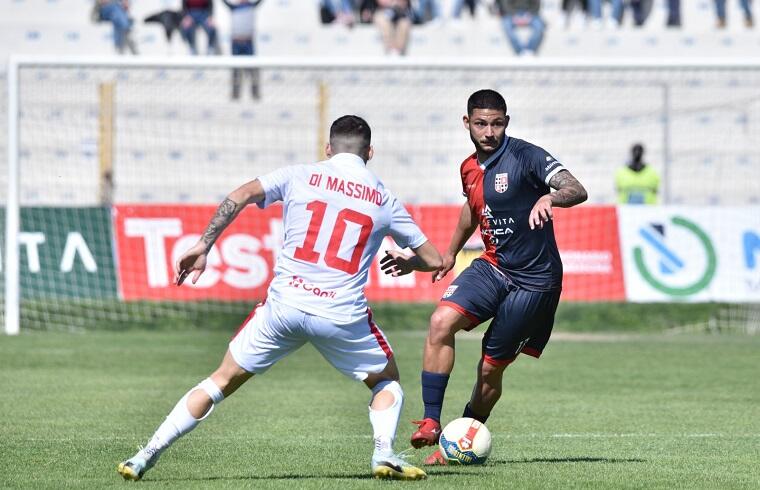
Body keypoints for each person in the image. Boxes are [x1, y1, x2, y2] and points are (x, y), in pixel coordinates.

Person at [117, 115, 442, 481]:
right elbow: (435, 259)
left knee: (219, 381)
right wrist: (408, 261)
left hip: (284, 307)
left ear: (328, 149)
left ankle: (145, 454)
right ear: (370, 152)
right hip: (339, 315)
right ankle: (383, 453)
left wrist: (204, 244)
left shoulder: (298, 175)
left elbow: (238, 196)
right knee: (386, 382)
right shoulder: (384, 198)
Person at [407, 90, 588, 465]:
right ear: (467, 123)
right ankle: (430, 421)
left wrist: (550, 199)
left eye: (497, 123)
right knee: (440, 321)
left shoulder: (527, 156)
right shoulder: (469, 167)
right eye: (481, 123)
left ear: (507, 122)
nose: (489, 131)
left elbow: (576, 188)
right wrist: (451, 252)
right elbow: (472, 211)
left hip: (535, 283)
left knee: (490, 368)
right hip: (493, 266)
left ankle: (463, 437)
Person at [223, 0, 263, 100]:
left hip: (248, 42)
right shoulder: (234, 8)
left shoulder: (251, 6)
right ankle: (235, 94)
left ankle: (255, 93)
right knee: (236, 70)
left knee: (252, 69)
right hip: (236, 43)